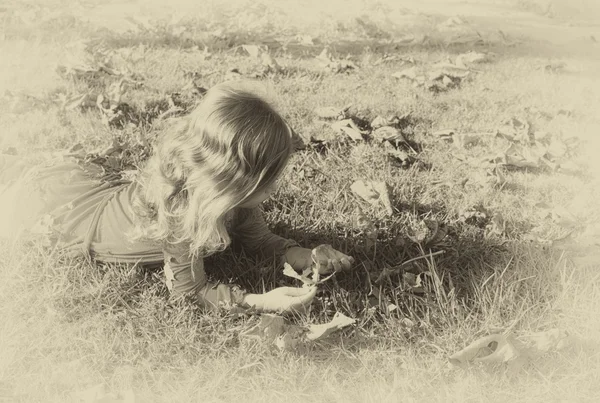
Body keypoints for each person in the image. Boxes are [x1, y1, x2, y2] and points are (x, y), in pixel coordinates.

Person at [0, 81, 354, 314]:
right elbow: (188, 293)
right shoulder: (181, 216)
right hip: (65, 212)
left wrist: (305, 256)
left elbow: (261, 242)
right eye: (269, 179)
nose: (275, 188)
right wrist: (259, 301)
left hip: (96, 191)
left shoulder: (232, 199)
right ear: (231, 179)